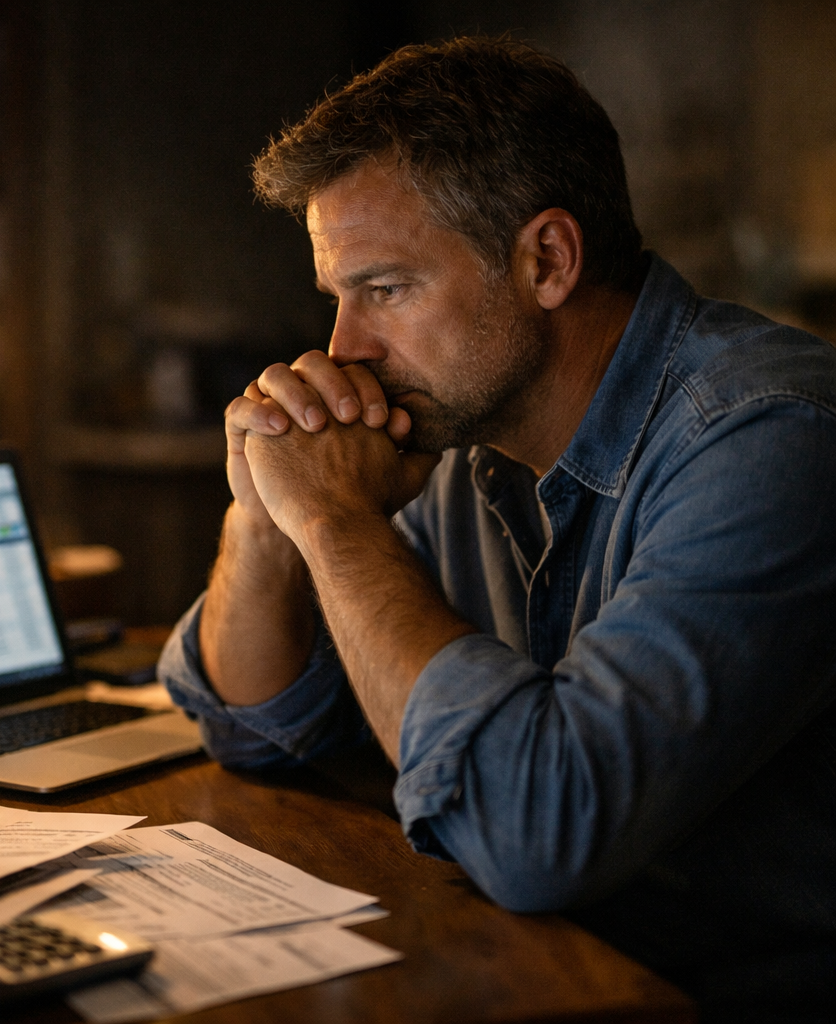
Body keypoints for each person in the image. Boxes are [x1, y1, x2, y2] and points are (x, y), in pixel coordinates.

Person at [159, 37, 836, 1022]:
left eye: (384, 289)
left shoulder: (771, 441)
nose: (344, 347)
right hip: (549, 973)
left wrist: (337, 522)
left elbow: (537, 833)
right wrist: (267, 515)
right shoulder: (463, 439)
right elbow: (256, 724)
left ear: (547, 261)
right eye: (336, 297)